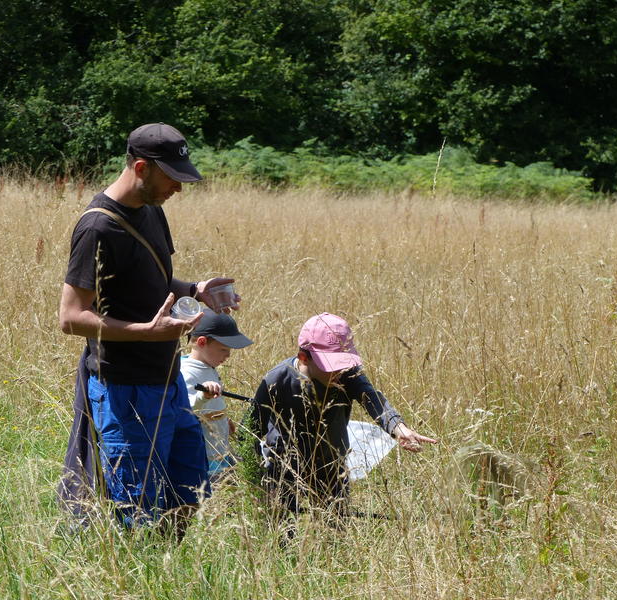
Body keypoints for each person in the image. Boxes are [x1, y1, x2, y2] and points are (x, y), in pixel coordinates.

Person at [57, 122, 238, 534]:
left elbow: (155, 282)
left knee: (189, 488)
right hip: (122, 388)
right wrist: (145, 331)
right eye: (172, 178)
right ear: (141, 168)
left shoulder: (153, 211)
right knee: (135, 504)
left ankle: (164, 565)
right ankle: (134, 574)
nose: (179, 188)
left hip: (169, 381)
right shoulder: (98, 227)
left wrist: (196, 289)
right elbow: (70, 317)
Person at [251, 312, 437, 519]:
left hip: (331, 466)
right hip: (283, 466)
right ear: (304, 357)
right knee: (281, 529)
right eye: (331, 365)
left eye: (342, 362)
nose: (338, 371)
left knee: (335, 528)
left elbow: (372, 398)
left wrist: (398, 429)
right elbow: (249, 429)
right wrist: (256, 479)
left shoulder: (347, 373)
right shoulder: (276, 379)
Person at [180, 310, 253, 484]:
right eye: (223, 349)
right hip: (205, 456)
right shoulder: (186, 372)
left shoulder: (207, 367)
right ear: (202, 342)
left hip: (220, 450)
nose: (227, 356)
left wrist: (224, 421)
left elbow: (212, 406)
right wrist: (203, 396)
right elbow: (186, 411)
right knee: (212, 494)